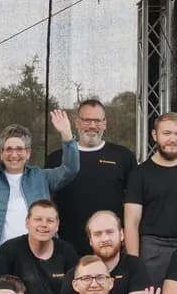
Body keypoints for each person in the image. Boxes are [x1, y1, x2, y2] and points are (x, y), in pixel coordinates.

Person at [0, 102, 77, 281]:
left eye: (20, 149)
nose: (14, 154)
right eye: (9, 149)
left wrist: (67, 135)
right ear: (1, 152)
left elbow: (70, 169)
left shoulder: (41, 177)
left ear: (28, 153)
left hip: (37, 257)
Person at [125, 112, 177, 291]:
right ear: (155, 135)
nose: (172, 139)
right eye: (166, 133)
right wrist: (133, 264)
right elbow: (131, 223)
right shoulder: (139, 174)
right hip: (152, 250)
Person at [47, 98, 137, 258]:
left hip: (110, 248)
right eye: (87, 120)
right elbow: (48, 202)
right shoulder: (56, 158)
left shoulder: (123, 156)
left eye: (97, 120)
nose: (92, 126)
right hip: (66, 248)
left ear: (105, 123)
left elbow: (133, 206)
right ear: (76, 122)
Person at [0, 198, 71, 294]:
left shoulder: (67, 252)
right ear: (27, 222)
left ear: (57, 225)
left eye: (50, 220)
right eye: (38, 219)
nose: (44, 225)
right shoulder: (9, 250)